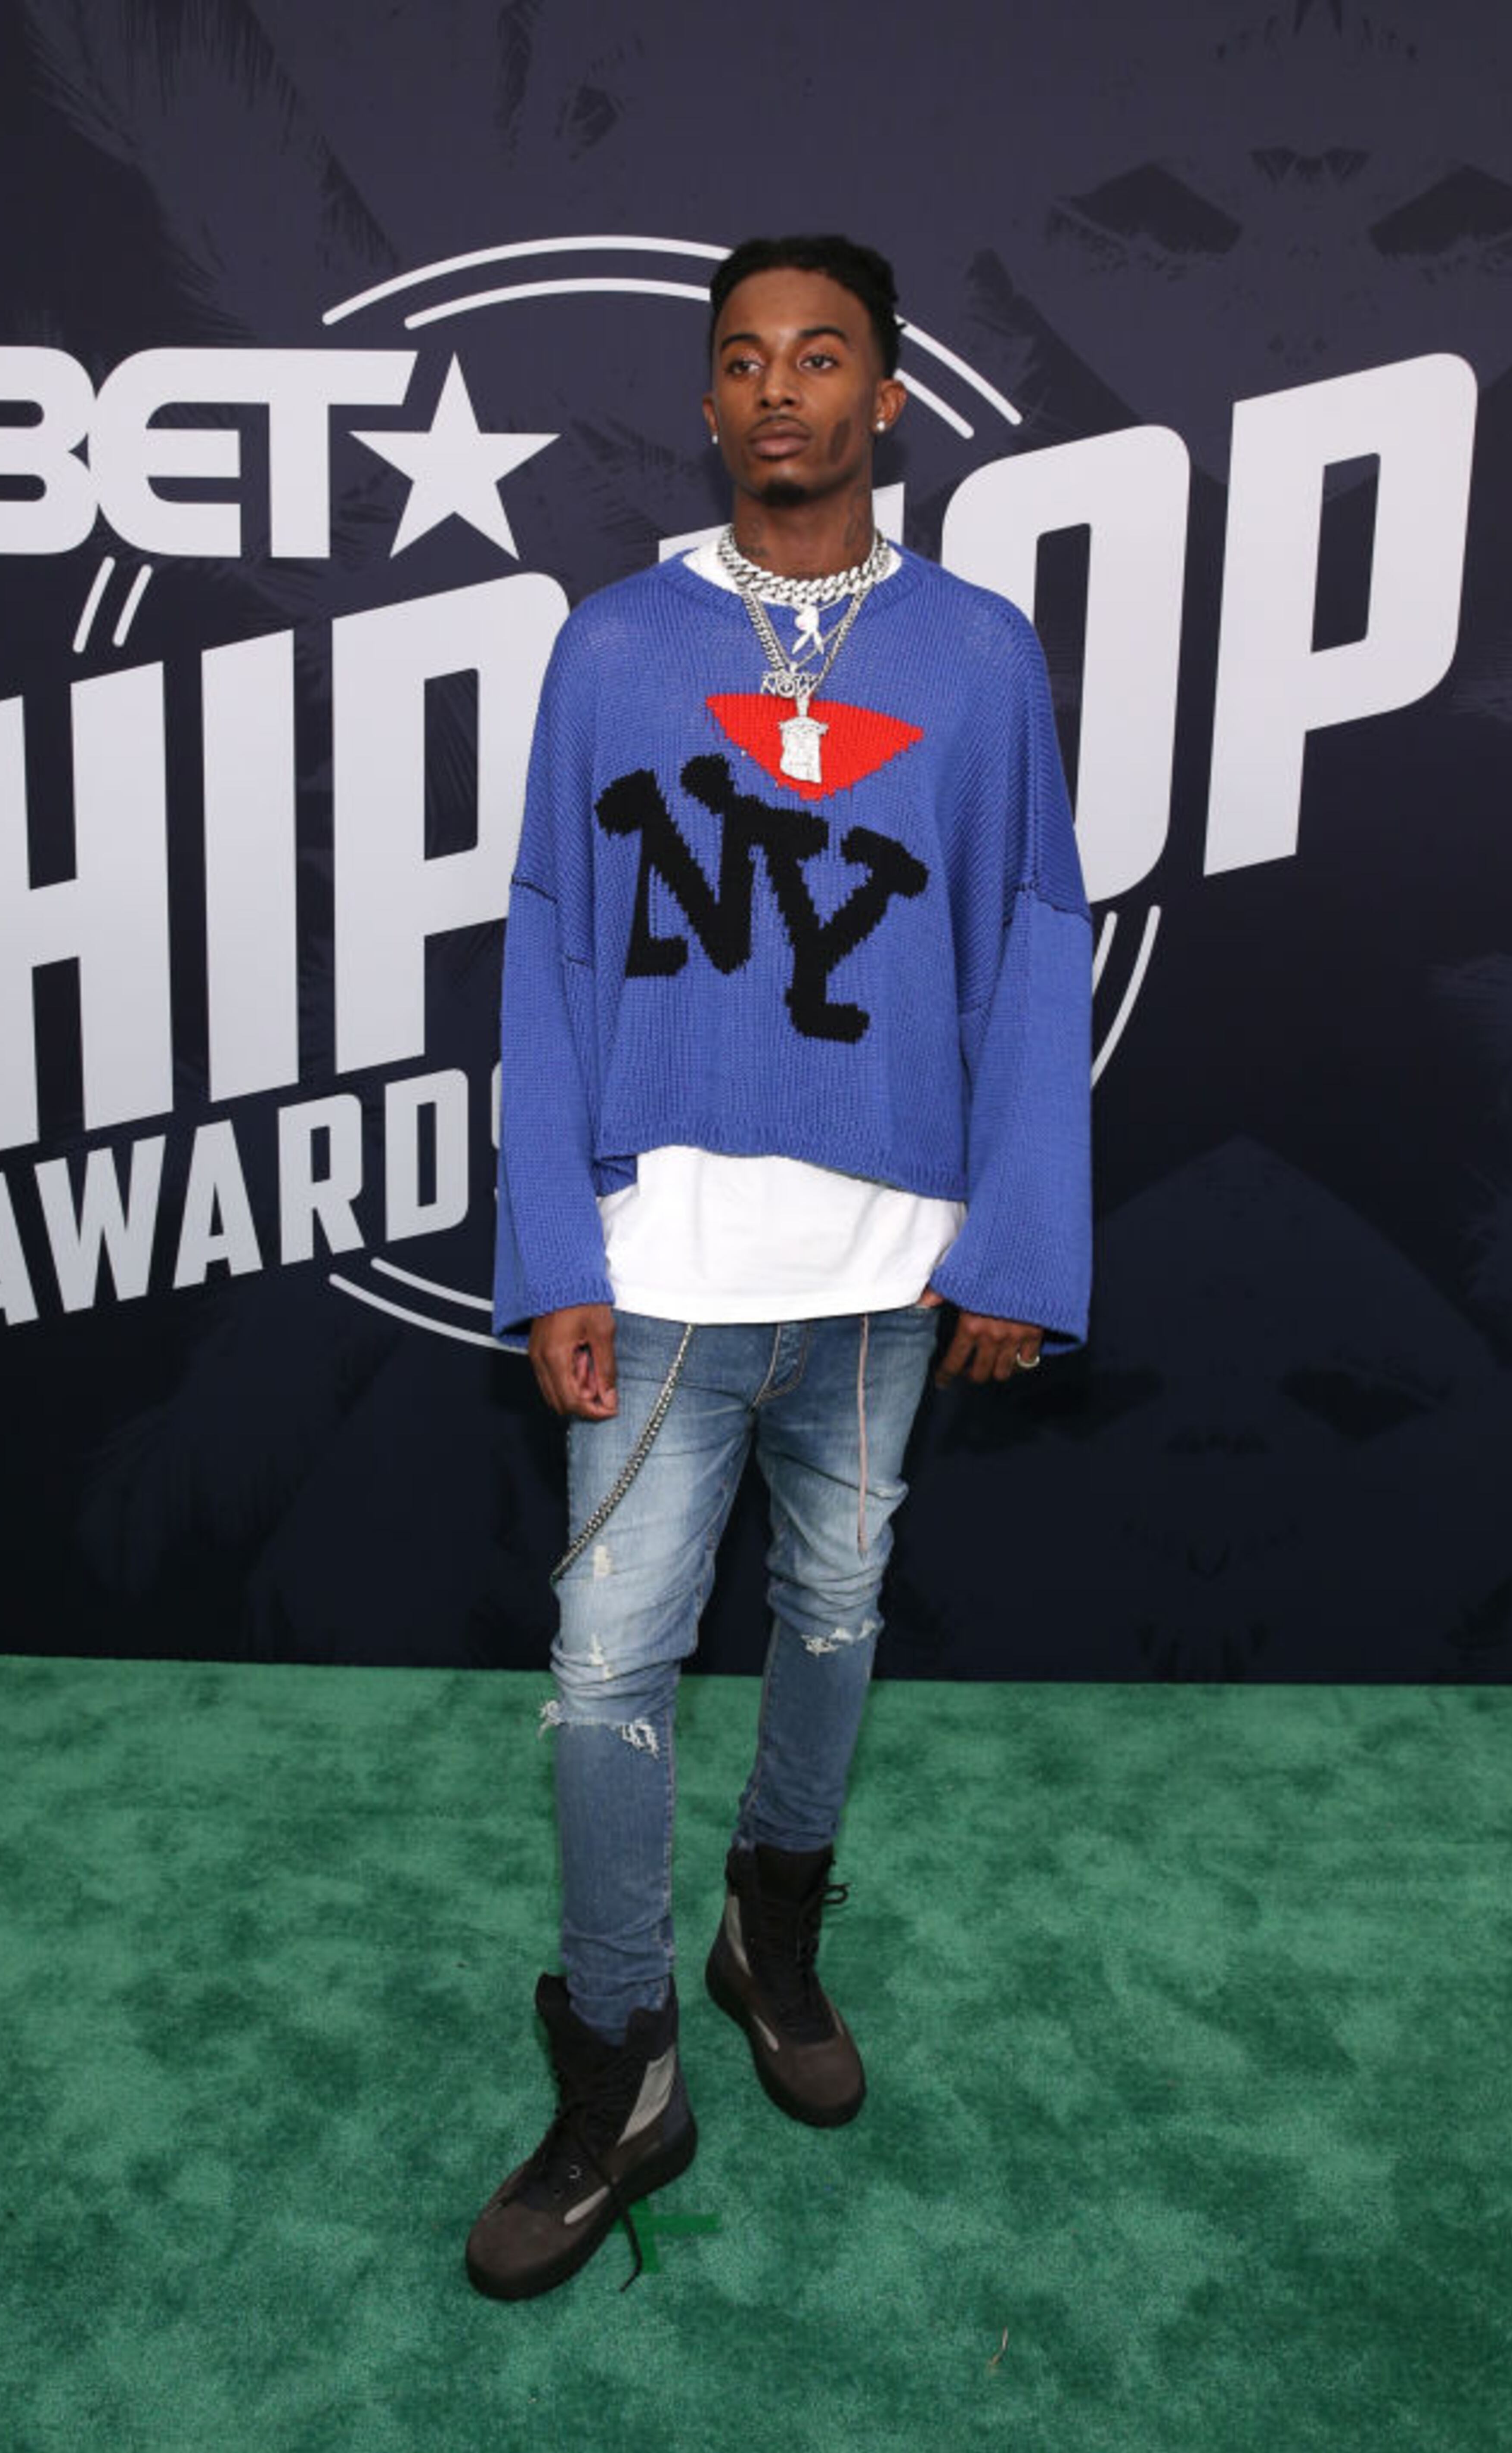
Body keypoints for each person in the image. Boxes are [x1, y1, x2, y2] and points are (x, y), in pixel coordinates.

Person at [466, 234, 1091, 2301]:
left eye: (822, 356)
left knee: (834, 1604)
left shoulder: (983, 654)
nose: (779, 391)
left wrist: (1020, 1239)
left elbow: (1030, 940)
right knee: (606, 1672)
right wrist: (551, 1240)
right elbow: (549, 945)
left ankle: (774, 1931)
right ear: (711, 403)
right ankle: (626, 2054)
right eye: (743, 361)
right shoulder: (614, 644)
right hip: (658, 1263)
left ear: (888, 396)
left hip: (889, 1269)